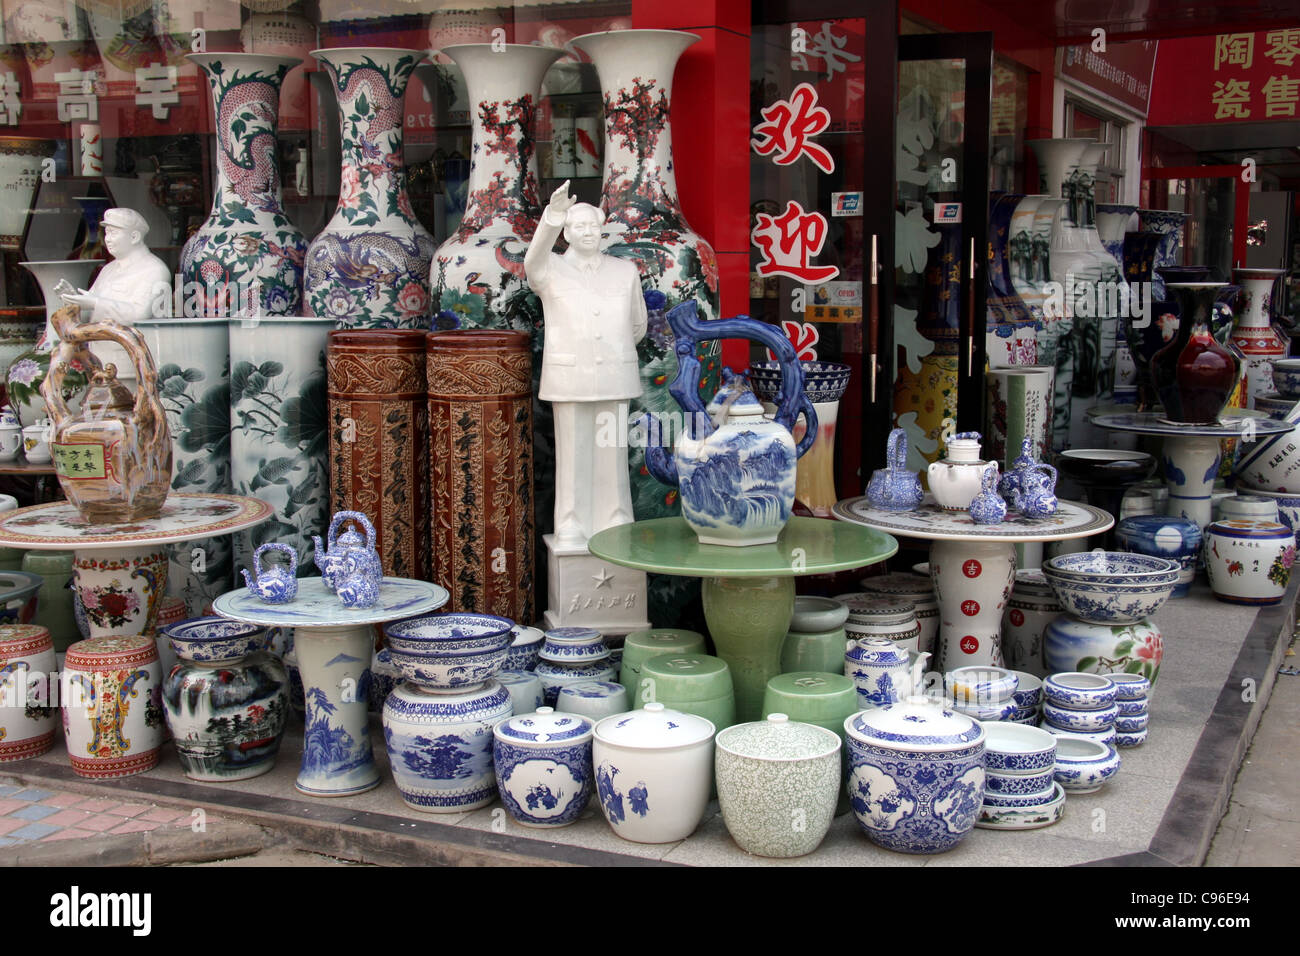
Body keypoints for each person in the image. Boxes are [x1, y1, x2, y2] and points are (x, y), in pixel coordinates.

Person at [525, 180, 647, 550]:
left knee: (612, 454)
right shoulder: (550, 270)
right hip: (570, 376)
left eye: (593, 226)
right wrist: (552, 215)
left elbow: (637, 325)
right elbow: (532, 261)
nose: (588, 233)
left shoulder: (624, 271)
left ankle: (616, 518)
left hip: (615, 372)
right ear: (566, 233)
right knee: (573, 454)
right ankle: (571, 523)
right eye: (579, 227)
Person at [61, 207, 171, 324]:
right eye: (107, 233)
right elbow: (89, 315)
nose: (107, 239)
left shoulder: (154, 270)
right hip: (100, 340)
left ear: (134, 237)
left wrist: (95, 303)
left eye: (113, 233)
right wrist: (75, 303)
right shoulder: (108, 269)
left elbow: (139, 314)